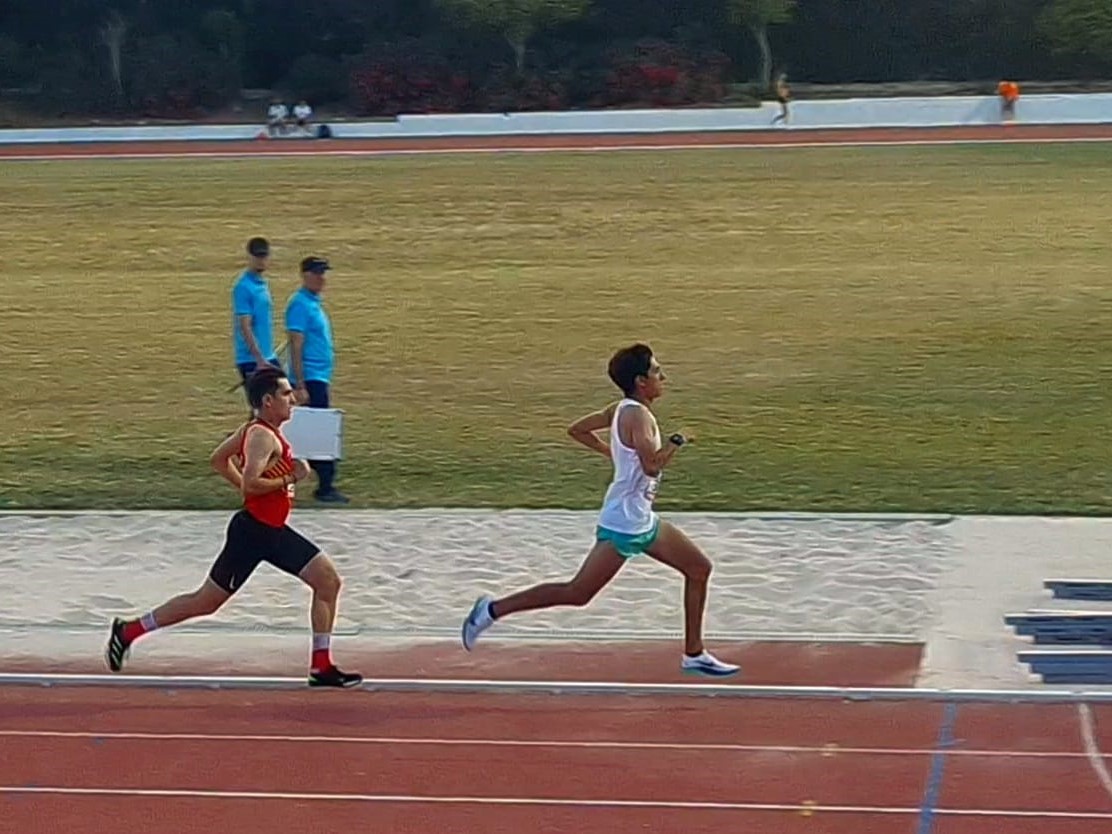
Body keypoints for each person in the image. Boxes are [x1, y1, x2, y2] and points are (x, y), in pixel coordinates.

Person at [461, 343, 740, 677]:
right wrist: (676, 442)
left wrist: (614, 455)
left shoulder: (618, 409)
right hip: (624, 523)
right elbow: (652, 466)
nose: (662, 377)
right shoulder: (638, 416)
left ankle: (694, 653)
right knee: (577, 593)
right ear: (640, 381)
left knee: (698, 569)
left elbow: (577, 429)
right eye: (656, 371)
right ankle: (490, 610)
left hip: (642, 519)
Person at [104, 366, 362, 688]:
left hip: (271, 531)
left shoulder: (254, 430)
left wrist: (262, 488)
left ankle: (321, 667)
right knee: (205, 602)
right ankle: (128, 631)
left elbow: (218, 459)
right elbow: (252, 485)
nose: (292, 399)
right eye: (285, 394)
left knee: (328, 582)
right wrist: (290, 478)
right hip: (253, 535)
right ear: (268, 401)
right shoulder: (262, 437)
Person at [286, 256, 349, 503]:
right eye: (316, 273)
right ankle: (324, 486)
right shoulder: (300, 304)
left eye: (323, 273)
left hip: (319, 376)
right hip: (310, 378)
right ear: (304, 275)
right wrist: (300, 383)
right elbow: (296, 344)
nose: (321, 278)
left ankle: (320, 481)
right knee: (319, 433)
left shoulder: (312, 303)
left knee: (314, 432)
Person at [232, 237, 281, 397]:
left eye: (264, 257)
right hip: (252, 360)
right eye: (257, 257)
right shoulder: (243, 287)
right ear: (249, 257)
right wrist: (259, 359)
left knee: (281, 404)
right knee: (266, 408)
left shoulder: (263, 284)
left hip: (269, 357)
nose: (261, 261)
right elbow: (245, 326)